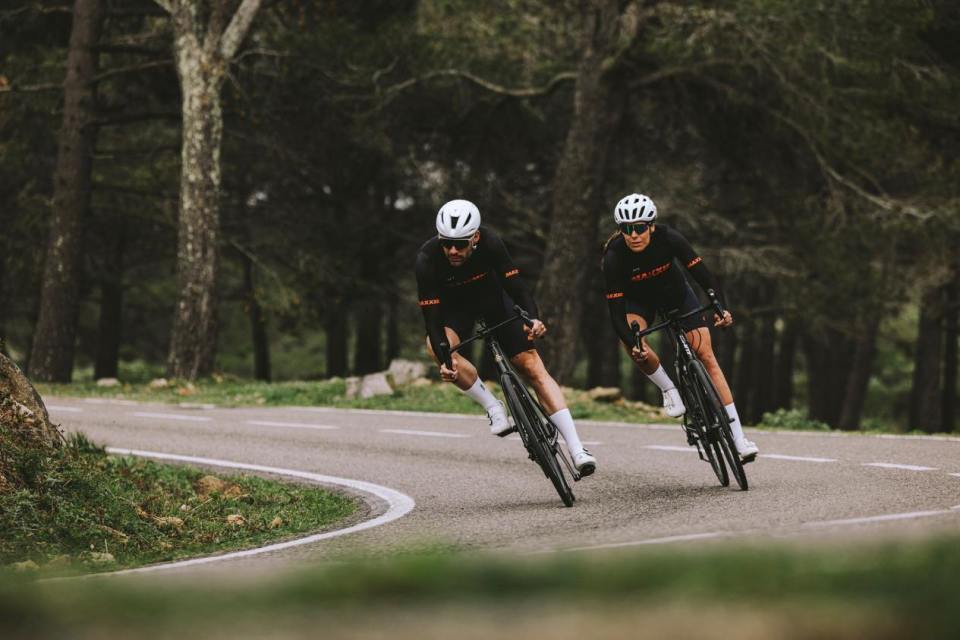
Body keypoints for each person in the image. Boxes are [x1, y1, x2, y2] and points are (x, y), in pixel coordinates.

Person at [415, 199, 597, 475]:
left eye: (461, 243)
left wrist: (533, 318)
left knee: (532, 366)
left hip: (494, 303)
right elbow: (432, 319)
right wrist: (444, 361)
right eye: (446, 243)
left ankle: (577, 448)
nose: (452, 250)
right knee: (435, 346)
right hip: (454, 312)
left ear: (475, 237)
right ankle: (492, 405)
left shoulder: (491, 243)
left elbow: (517, 287)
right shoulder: (427, 258)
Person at [601, 193, 758, 461]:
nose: (634, 235)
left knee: (707, 357)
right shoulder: (614, 256)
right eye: (627, 229)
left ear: (651, 225)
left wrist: (721, 308)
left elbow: (703, 275)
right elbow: (616, 314)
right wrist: (633, 343)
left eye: (639, 227)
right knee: (633, 341)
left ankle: (739, 438)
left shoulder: (670, 238)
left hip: (677, 295)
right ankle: (668, 388)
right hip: (640, 303)